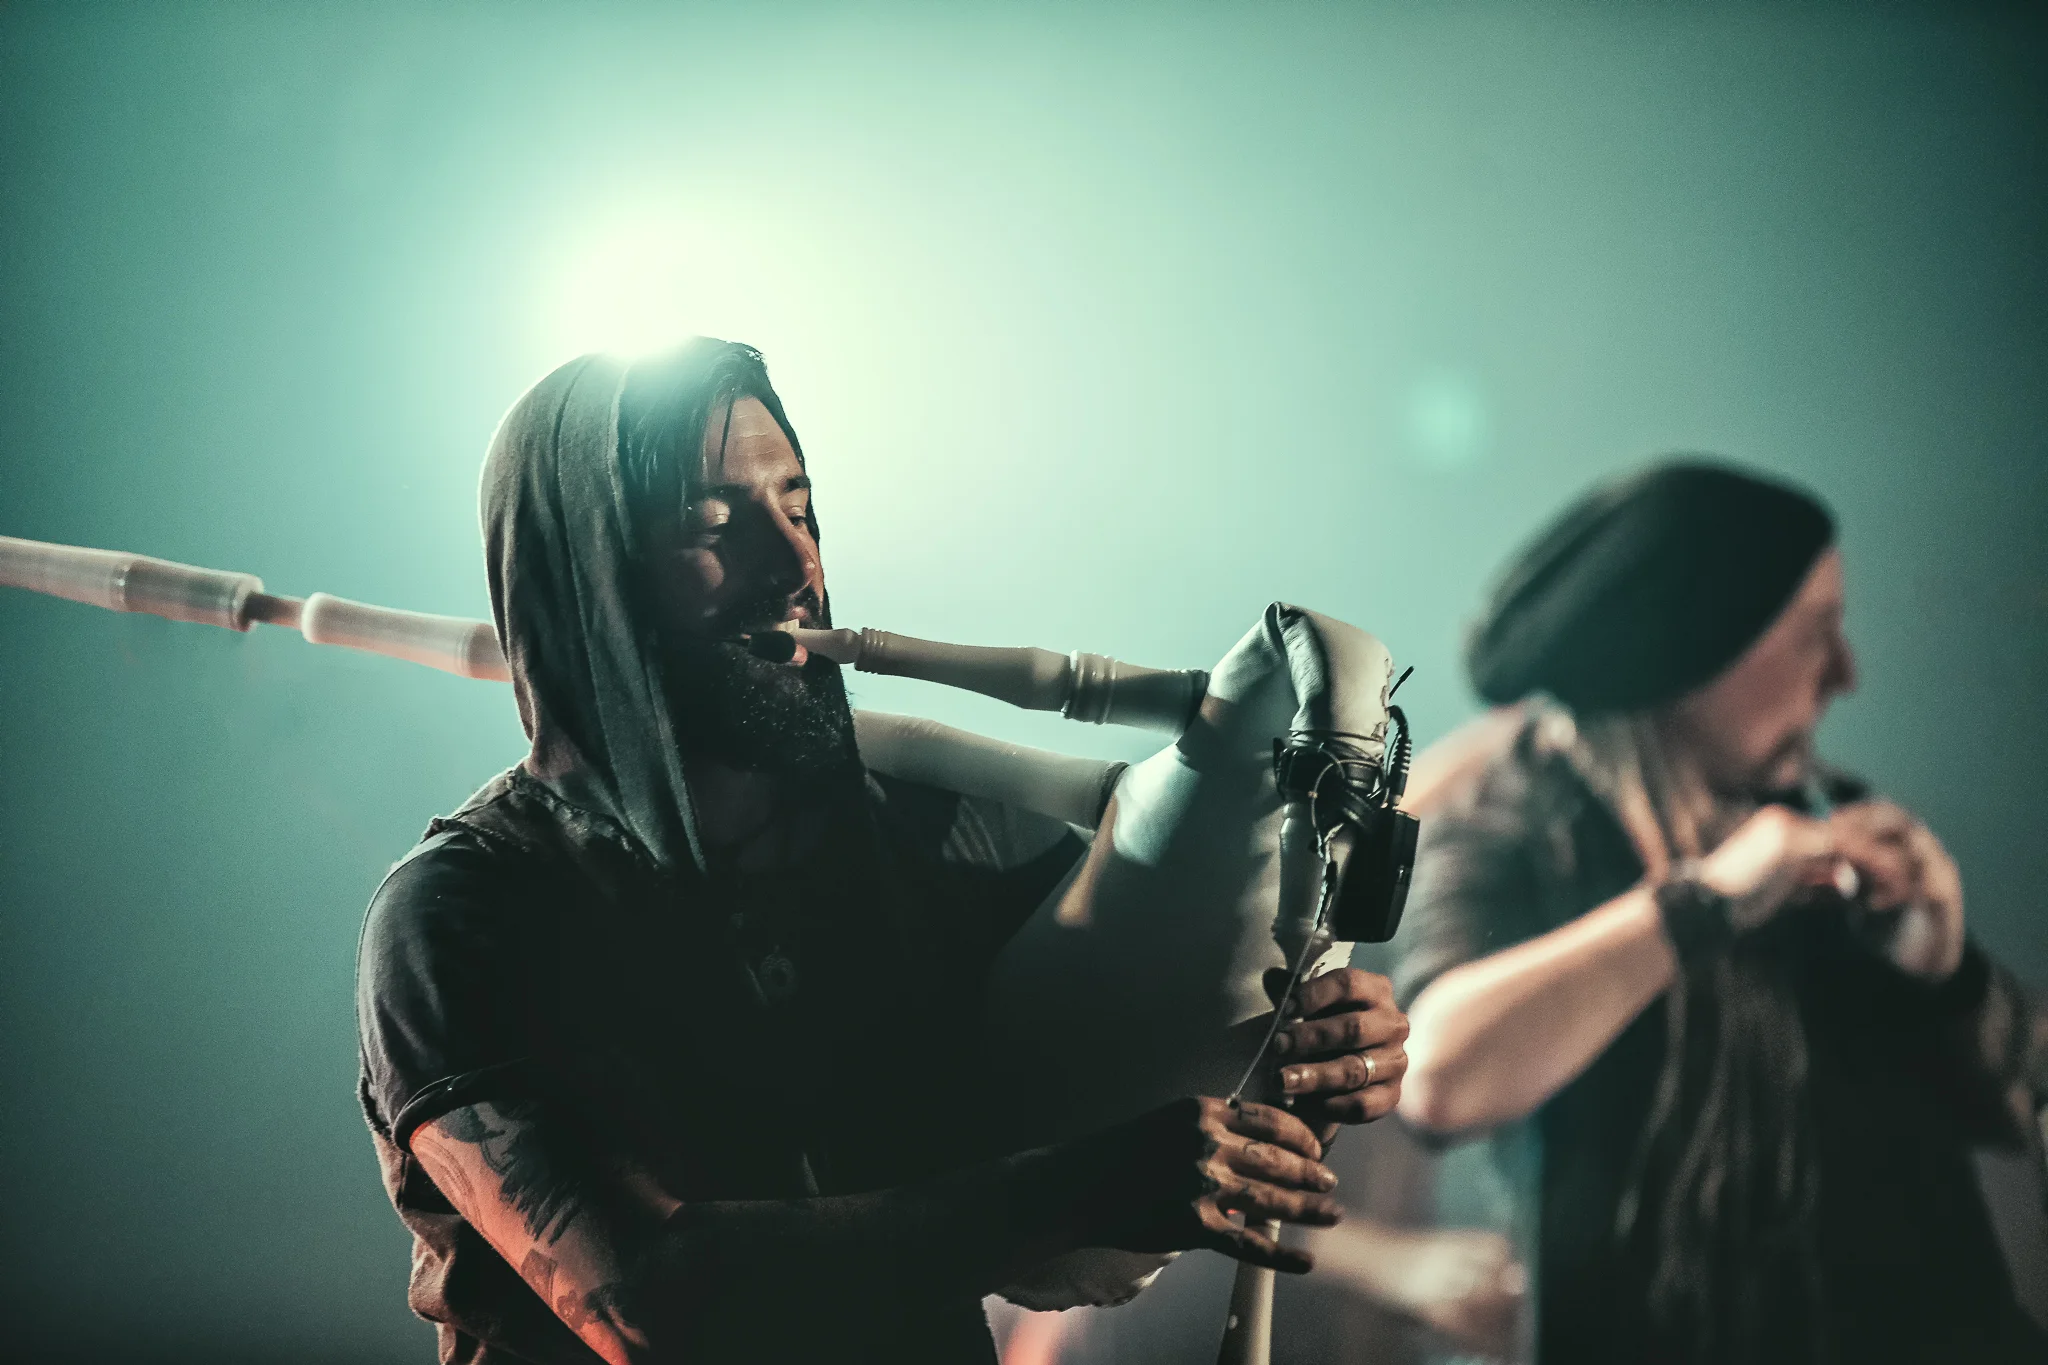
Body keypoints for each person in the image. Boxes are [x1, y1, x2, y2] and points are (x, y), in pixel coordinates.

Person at [353, 339, 1410, 1365]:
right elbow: (646, 1303)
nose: (796, 564)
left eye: (800, 508)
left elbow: (1127, 1080)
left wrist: (1292, 1059)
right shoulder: (462, 912)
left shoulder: (933, 828)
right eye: (711, 526)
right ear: (585, 583)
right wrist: (1080, 1188)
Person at [1393, 459, 2048, 1364]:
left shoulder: (1827, 817)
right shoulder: (1510, 820)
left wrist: (1946, 973)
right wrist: (1704, 902)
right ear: (1689, 644)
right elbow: (1439, 1076)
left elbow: (2019, 1105)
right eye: (1814, 634)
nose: (1846, 674)